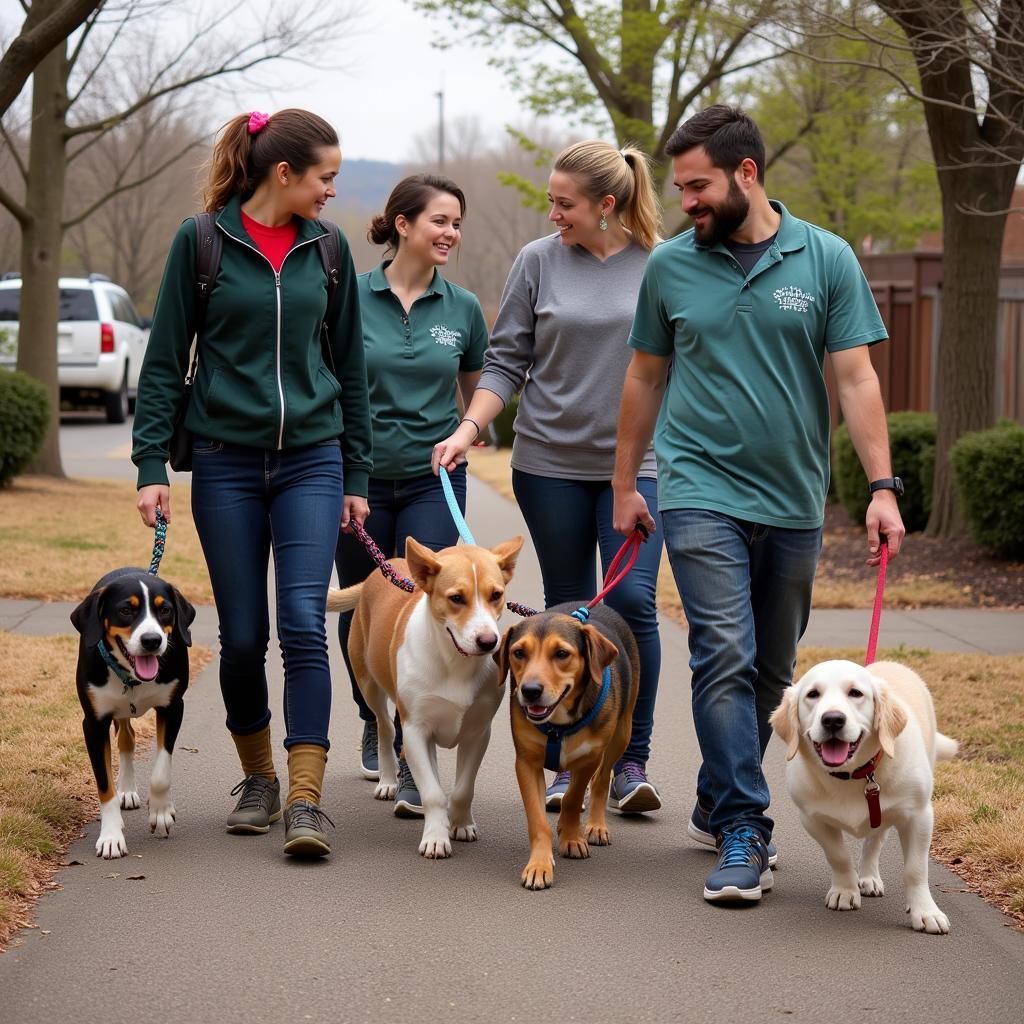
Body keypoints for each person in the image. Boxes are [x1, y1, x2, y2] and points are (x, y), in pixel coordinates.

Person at [612, 104, 906, 903]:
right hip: (698, 487)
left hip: (793, 499)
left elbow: (855, 378)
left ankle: (714, 796)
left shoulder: (826, 258)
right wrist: (626, 482)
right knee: (725, 655)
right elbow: (643, 376)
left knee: (775, 674)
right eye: (681, 188)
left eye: (699, 186)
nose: (688, 202)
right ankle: (746, 825)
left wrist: (881, 489)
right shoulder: (671, 265)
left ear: (747, 174)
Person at [132, 109, 372, 859]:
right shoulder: (202, 241)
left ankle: (305, 799)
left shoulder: (330, 249)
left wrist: (355, 473)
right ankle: (259, 779)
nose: (335, 189)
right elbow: (167, 358)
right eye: (327, 176)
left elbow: (351, 369)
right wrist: (149, 467)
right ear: (283, 174)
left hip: (312, 457)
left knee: (302, 622)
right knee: (241, 637)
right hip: (226, 463)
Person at [433, 140, 665, 814]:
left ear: (607, 205)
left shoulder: (663, 264)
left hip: (642, 465)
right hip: (550, 464)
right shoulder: (537, 261)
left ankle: (629, 758)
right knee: (567, 609)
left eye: (564, 203)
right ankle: (563, 760)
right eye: (552, 201)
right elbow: (506, 362)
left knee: (633, 607)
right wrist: (468, 429)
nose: (553, 213)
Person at [335, 174, 488, 817]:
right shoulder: (347, 297)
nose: (451, 232)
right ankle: (382, 719)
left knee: (434, 599)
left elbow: (480, 384)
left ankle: (423, 722)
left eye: (457, 222)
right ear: (402, 224)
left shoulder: (464, 308)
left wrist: (464, 431)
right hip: (357, 483)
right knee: (367, 605)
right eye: (439, 220)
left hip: (433, 480)